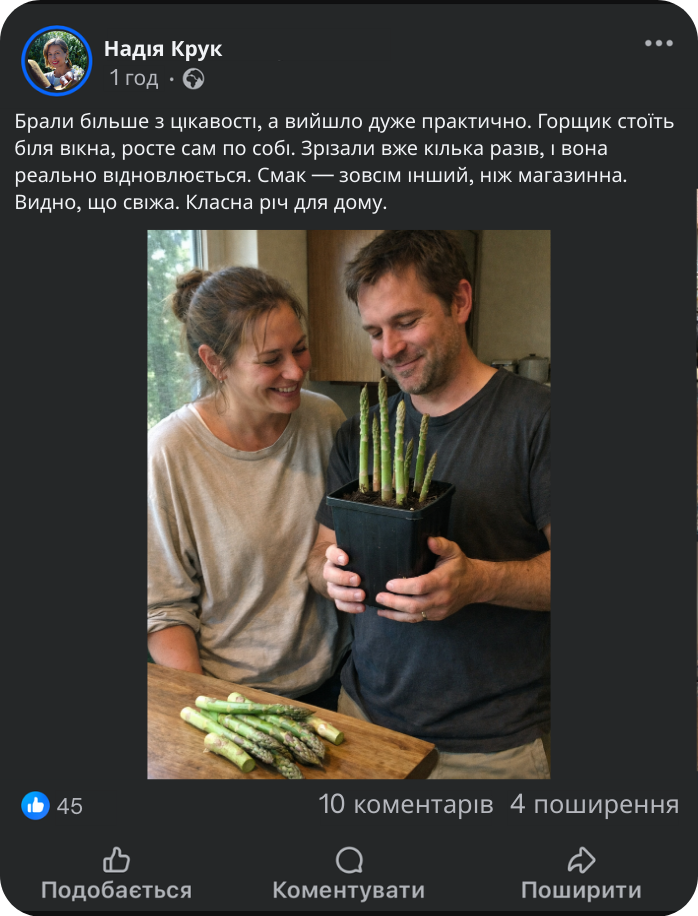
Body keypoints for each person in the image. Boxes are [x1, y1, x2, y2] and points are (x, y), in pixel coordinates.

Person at [308, 230, 551, 778]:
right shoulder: (358, 433)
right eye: (374, 331)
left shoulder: (540, 420)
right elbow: (318, 555)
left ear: (460, 301)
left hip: (489, 750)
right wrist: (329, 577)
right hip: (360, 721)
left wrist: (479, 582)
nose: (388, 349)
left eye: (406, 321)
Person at [148, 266, 350, 704]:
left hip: (336, 679)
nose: (295, 371)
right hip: (234, 698)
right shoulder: (168, 452)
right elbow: (163, 609)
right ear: (215, 363)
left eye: (300, 349)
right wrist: (213, 710)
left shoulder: (325, 421)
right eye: (271, 360)